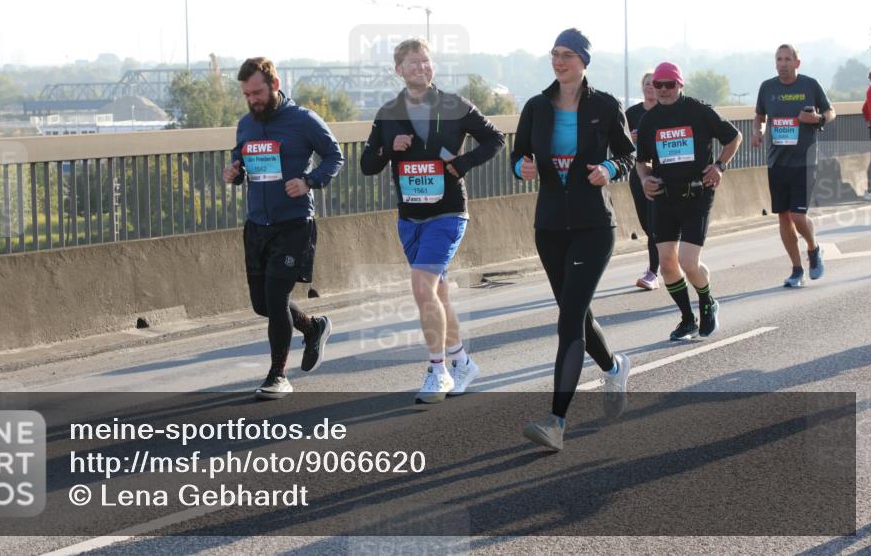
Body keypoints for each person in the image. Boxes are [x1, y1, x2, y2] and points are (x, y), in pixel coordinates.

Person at [360, 37, 504, 404]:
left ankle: (437, 371)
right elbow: (366, 165)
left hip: (448, 211)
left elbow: (495, 139)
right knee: (436, 293)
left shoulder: (455, 105)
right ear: (399, 71)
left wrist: (464, 163)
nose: (420, 68)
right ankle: (463, 362)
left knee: (422, 287)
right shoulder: (388, 113)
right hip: (410, 217)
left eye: (425, 61)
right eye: (412, 64)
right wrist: (389, 149)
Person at [511, 28, 635, 452]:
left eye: (567, 55)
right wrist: (520, 169)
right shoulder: (536, 107)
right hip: (549, 227)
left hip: (593, 226)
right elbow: (519, 155)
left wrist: (611, 169)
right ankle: (615, 365)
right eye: (555, 55)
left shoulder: (604, 105)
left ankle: (556, 421)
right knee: (575, 312)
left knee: (568, 322)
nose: (559, 62)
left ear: (584, 61)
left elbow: (629, 155)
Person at [223, 57, 344, 399]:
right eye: (247, 94)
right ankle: (312, 326)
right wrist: (233, 172)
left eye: (257, 92)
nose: (252, 100)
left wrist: (310, 181)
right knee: (262, 304)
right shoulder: (247, 124)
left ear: (275, 85)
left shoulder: (303, 120)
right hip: (257, 224)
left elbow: (335, 156)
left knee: (277, 299)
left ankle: (278, 375)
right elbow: (240, 159)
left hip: (293, 224)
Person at [635, 62, 742, 341]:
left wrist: (719, 166)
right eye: (658, 85)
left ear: (680, 84)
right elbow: (641, 161)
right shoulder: (649, 120)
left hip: (697, 194)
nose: (664, 90)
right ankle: (687, 319)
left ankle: (708, 302)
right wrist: (646, 179)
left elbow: (734, 138)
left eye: (670, 84)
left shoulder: (699, 111)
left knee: (688, 261)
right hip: (664, 197)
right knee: (668, 263)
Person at [751, 44, 836, 287]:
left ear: (797, 63)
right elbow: (759, 117)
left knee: (798, 216)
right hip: (777, 163)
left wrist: (818, 118)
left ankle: (813, 248)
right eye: (779, 59)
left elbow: (831, 112)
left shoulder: (810, 85)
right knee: (784, 218)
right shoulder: (767, 88)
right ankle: (797, 269)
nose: (783, 63)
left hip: (804, 162)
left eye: (788, 59)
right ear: (775, 63)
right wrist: (758, 132)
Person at [625, 71, 660, 290]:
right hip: (637, 174)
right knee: (647, 225)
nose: (650, 87)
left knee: (656, 223)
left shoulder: (665, 112)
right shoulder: (631, 113)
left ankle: (653, 272)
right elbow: (619, 143)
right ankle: (667, 261)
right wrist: (630, 138)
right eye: (646, 83)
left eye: (654, 84)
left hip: (660, 172)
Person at [863, 67, 871, 202]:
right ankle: (870, 190)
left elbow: (864, 108)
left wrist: (868, 121)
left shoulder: (870, 91)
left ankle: (870, 189)